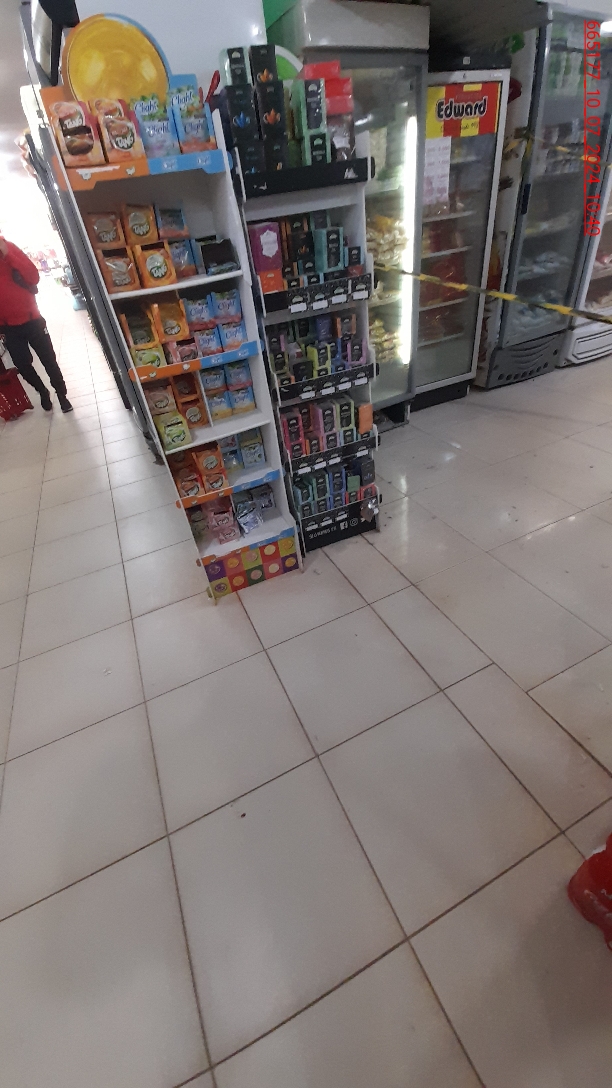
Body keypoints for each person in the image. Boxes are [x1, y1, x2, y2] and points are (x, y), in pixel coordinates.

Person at [0, 235, 72, 412]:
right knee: (22, 365)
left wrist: (7, 255)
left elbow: (33, 277)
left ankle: (62, 395)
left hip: (32, 320)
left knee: (49, 361)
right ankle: (42, 391)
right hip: (8, 327)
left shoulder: (10, 248)